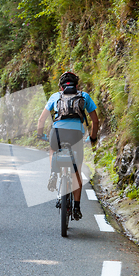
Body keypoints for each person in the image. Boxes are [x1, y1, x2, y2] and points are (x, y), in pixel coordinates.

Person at [37, 71, 99, 220]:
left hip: (57, 133)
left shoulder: (55, 96)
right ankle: (76, 207)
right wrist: (93, 137)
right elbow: (95, 121)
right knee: (76, 170)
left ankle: (53, 171)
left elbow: (41, 120)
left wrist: (40, 135)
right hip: (76, 135)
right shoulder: (84, 96)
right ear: (77, 85)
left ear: (61, 86)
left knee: (53, 148)